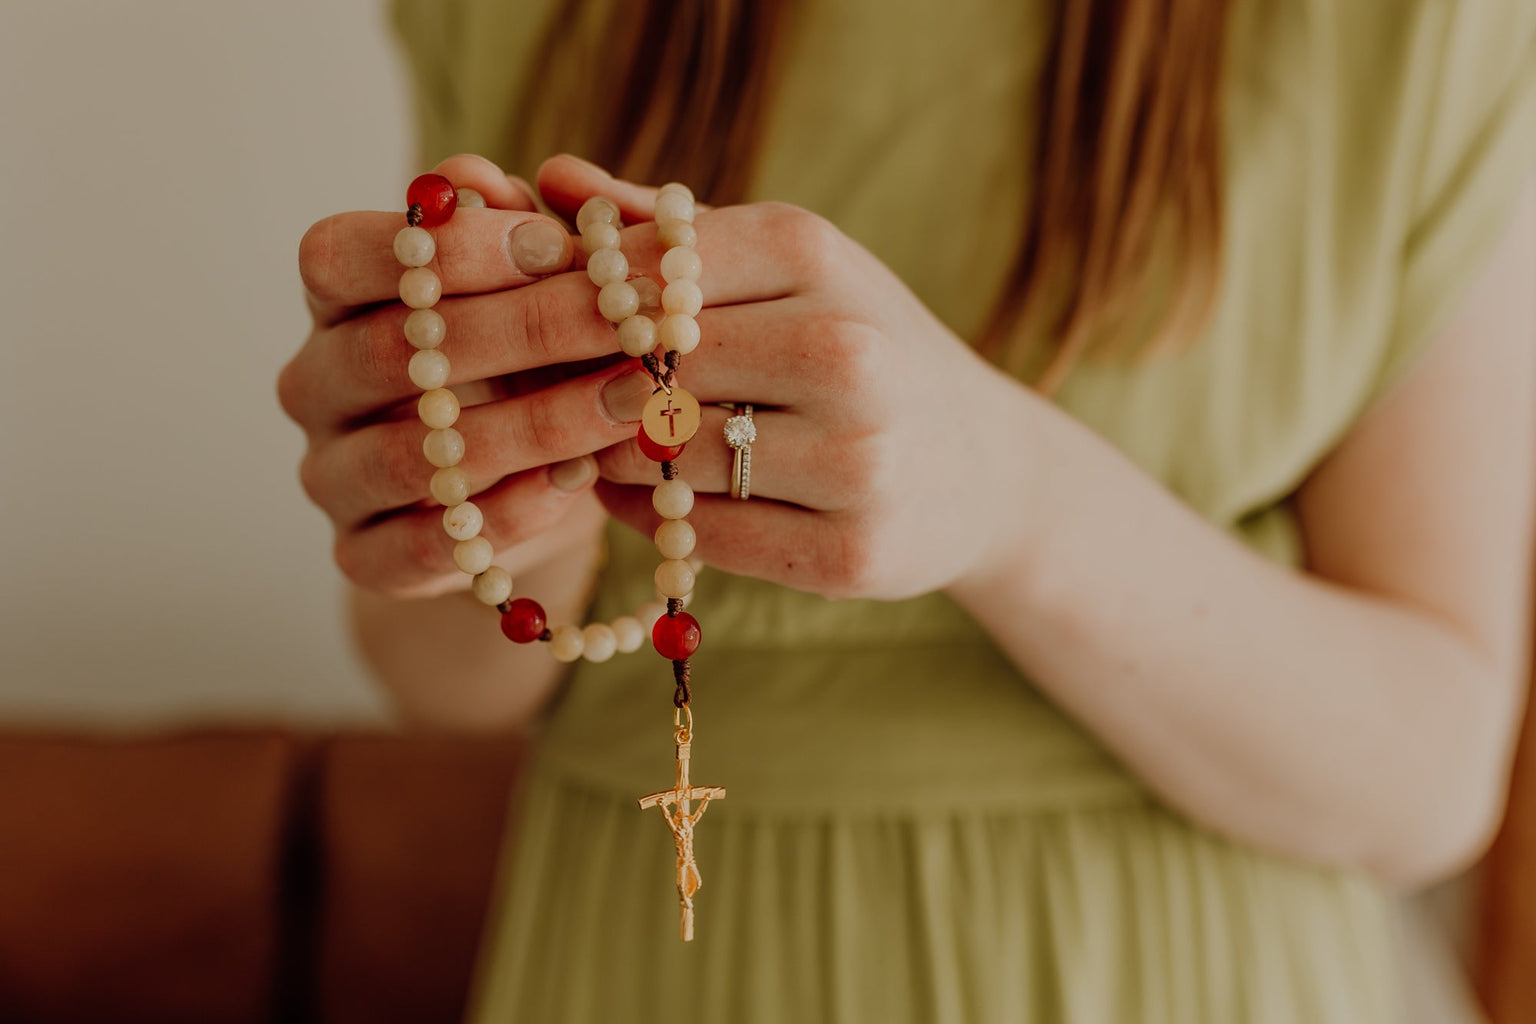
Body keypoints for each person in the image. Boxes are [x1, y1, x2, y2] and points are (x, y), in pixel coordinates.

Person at [278, 1, 1536, 1020]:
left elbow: (1430, 779)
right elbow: (445, 679)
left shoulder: (1412, 31)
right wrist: (494, 503)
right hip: (644, 950)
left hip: (1164, 972)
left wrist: (1015, 497)